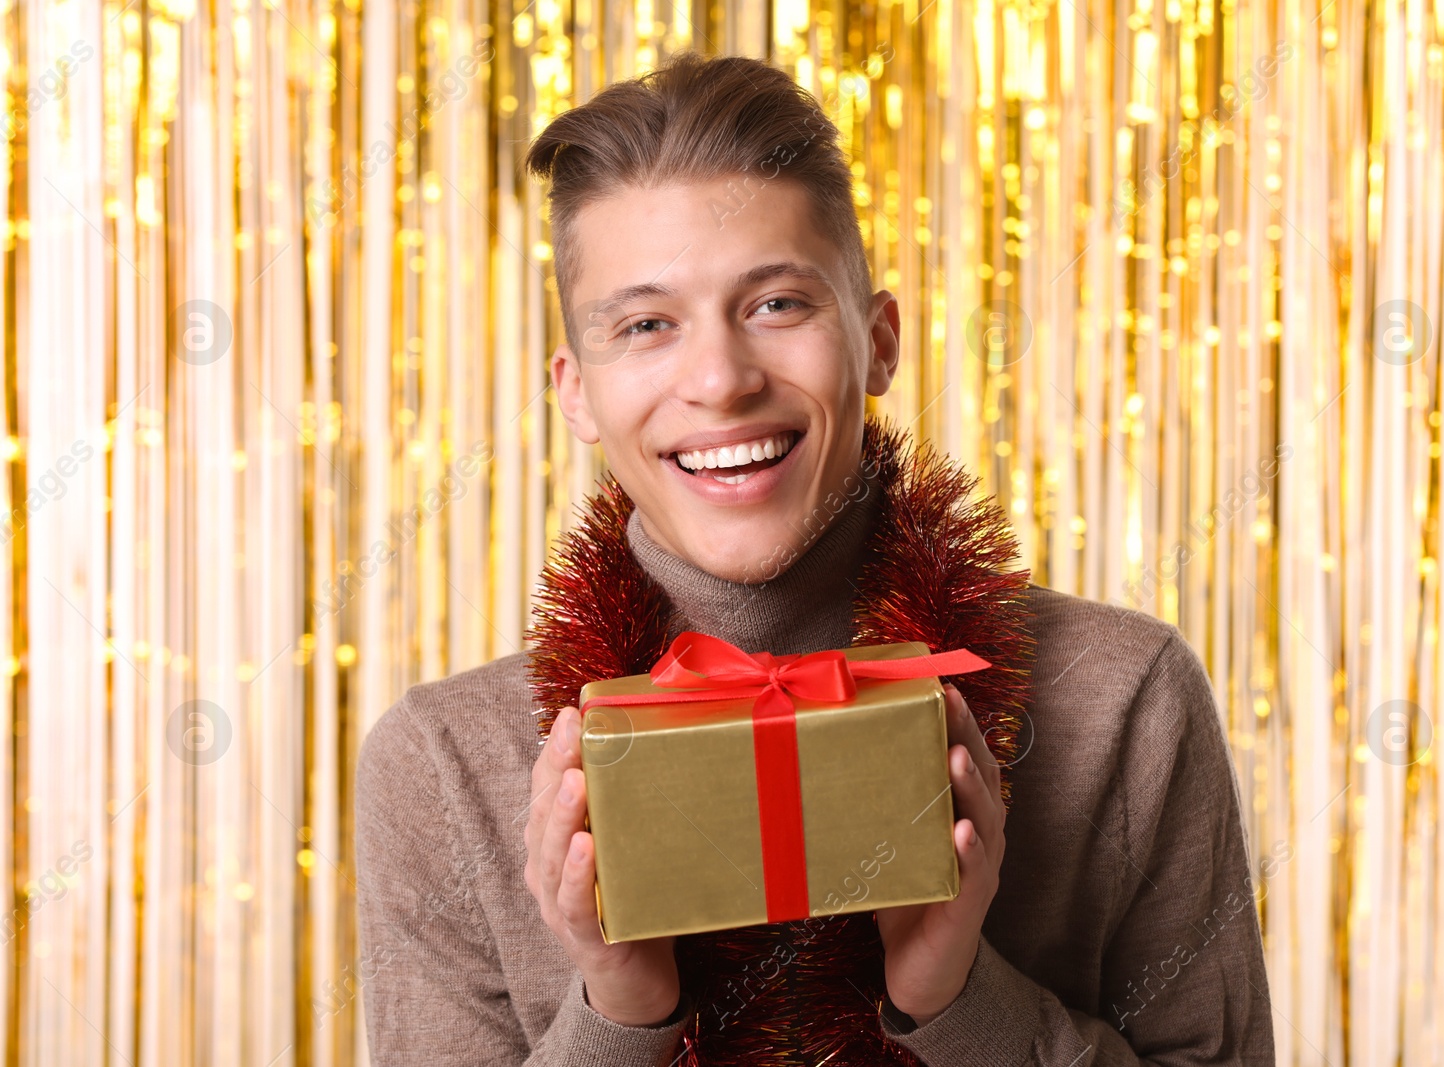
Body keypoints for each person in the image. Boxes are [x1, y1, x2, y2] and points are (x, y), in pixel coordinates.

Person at [355, 49, 1274, 1066]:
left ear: (877, 340)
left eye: (777, 303)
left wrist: (964, 998)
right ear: (576, 391)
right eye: (647, 323)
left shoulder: (1119, 699)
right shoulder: (443, 764)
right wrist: (615, 1014)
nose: (718, 378)